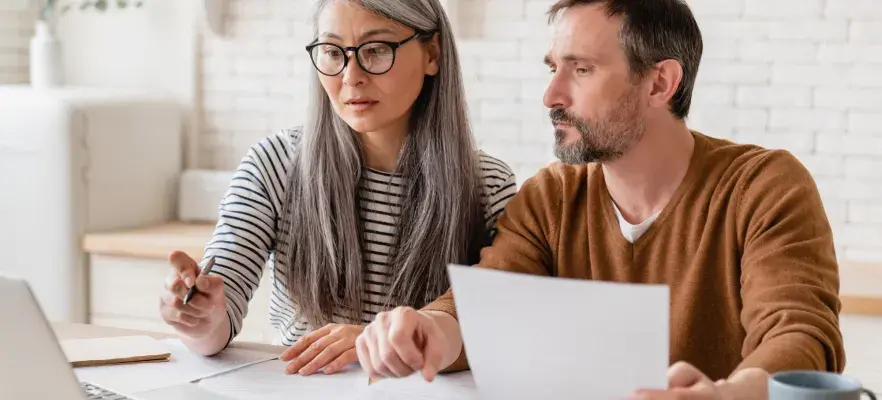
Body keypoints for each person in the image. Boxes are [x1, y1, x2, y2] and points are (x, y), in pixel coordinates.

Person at [354, 0, 845, 398]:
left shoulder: (762, 186)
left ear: (660, 83)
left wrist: (728, 394)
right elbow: (487, 303)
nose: (551, 94)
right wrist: (428, 329)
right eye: (553, 69)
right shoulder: (551, 196)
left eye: (581, 70)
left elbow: (801, 335)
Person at [157, 0, 517, 377]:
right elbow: (218, 319)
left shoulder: (487, 185)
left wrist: (375, 345)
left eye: (377, 50)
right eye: (332, 52)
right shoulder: (275, 164)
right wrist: (198, 316)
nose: (351, 76)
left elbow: (496, 330)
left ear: (433, 54)